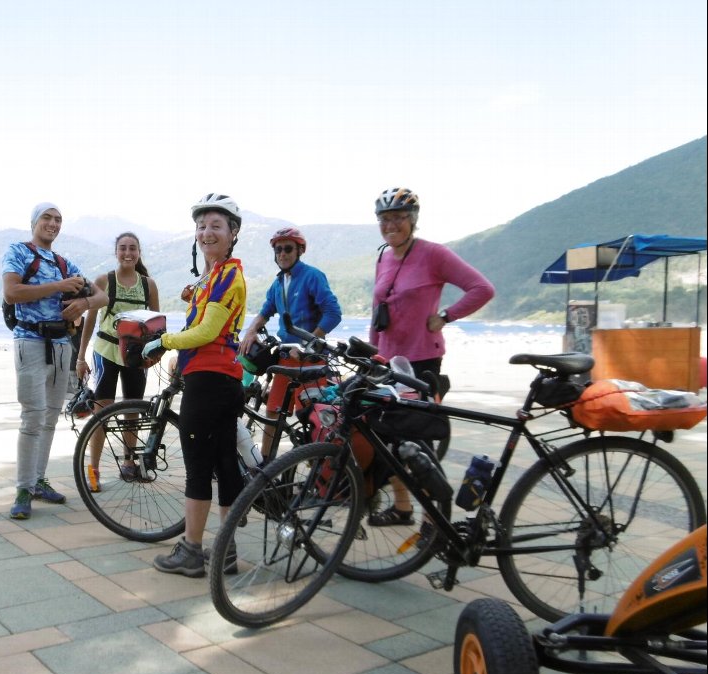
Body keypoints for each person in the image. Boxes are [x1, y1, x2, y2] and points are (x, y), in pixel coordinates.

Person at [368, 187, 495, 526]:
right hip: (388, 363)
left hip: (422, 361)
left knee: (418, 441)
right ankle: (402, 508)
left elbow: (482, 288)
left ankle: (435, 520)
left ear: (412, 221)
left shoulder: (433, 255)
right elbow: (376, 309)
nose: (390, 225)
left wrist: (447, 316)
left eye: (397, 218)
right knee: (386, 438)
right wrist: (372, 353)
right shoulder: (384, 256)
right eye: (385, 219)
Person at [143, 194, 246, 577]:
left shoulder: (228, 275)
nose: (207, 232)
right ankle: (227, 552)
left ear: (233, 233)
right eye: (202, 226)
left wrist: (163, 341)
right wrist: (177, 358)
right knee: (222, 464)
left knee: (200, 468)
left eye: (216, 226)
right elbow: (200, 332)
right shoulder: (211, 276)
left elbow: (206, 331)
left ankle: (192, 551)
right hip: (215, 379)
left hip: (211, 383)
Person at [2, 202, 109, 519]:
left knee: (49, 416)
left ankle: (38, 481)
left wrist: (84, 303)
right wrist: (60, 287)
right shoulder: (18, 252)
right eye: (46, 218)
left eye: (58, 219)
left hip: (62, 344)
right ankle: (23, 488)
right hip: (30, 341)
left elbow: (103, 297)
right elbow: (11, 293)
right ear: (34, 222)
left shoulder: (65, 263)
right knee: (32, 416)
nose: (52, 223)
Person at [237, 226, 342, 458]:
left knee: (315, 419)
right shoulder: (278, 283)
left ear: (299, 250)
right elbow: (265, 311)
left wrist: (310, 343)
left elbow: (333, 312)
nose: (282, 254)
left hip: (311, 363)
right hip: (285, 362)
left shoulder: (312, 276)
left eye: (287, 249)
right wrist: (250, 331)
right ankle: (266, 465)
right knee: (273, 413)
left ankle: (319, 467)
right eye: (278, 250)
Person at [75, 232, 161, 492]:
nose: (127, 253)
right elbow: (90, 321)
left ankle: (129, 463)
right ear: (116, 252)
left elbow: (156, 323)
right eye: (123, 248)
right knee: (102, 410)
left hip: (135, 354)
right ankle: (94, 469)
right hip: (106, 351)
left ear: (138, 252)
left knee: (132, 409)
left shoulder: (148, 284)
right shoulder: (105, 280)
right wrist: (80, 357)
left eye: (132, 248)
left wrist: (155, 353)